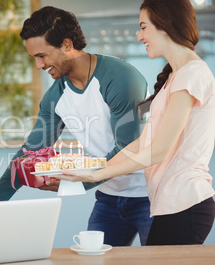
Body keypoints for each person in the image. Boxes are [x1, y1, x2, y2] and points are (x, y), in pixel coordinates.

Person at [0, 6, 153, 246]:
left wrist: (79, 181)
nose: (38, 65)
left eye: (42, 55)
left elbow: (129, 147)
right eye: (34, 57)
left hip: (151, 194)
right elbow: (30, 150)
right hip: (110, 196)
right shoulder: (56, 97)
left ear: (66, 45)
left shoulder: (121, 79)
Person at [55, 0, 215, 245]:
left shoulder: (191, 74)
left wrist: (97, 176)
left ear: (165, 25)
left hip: (186, 204)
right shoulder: (177, 76)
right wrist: (94, 169)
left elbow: (158, 151)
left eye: (143, 27)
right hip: (169, 205)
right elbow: (143, 144)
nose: (139, 36)